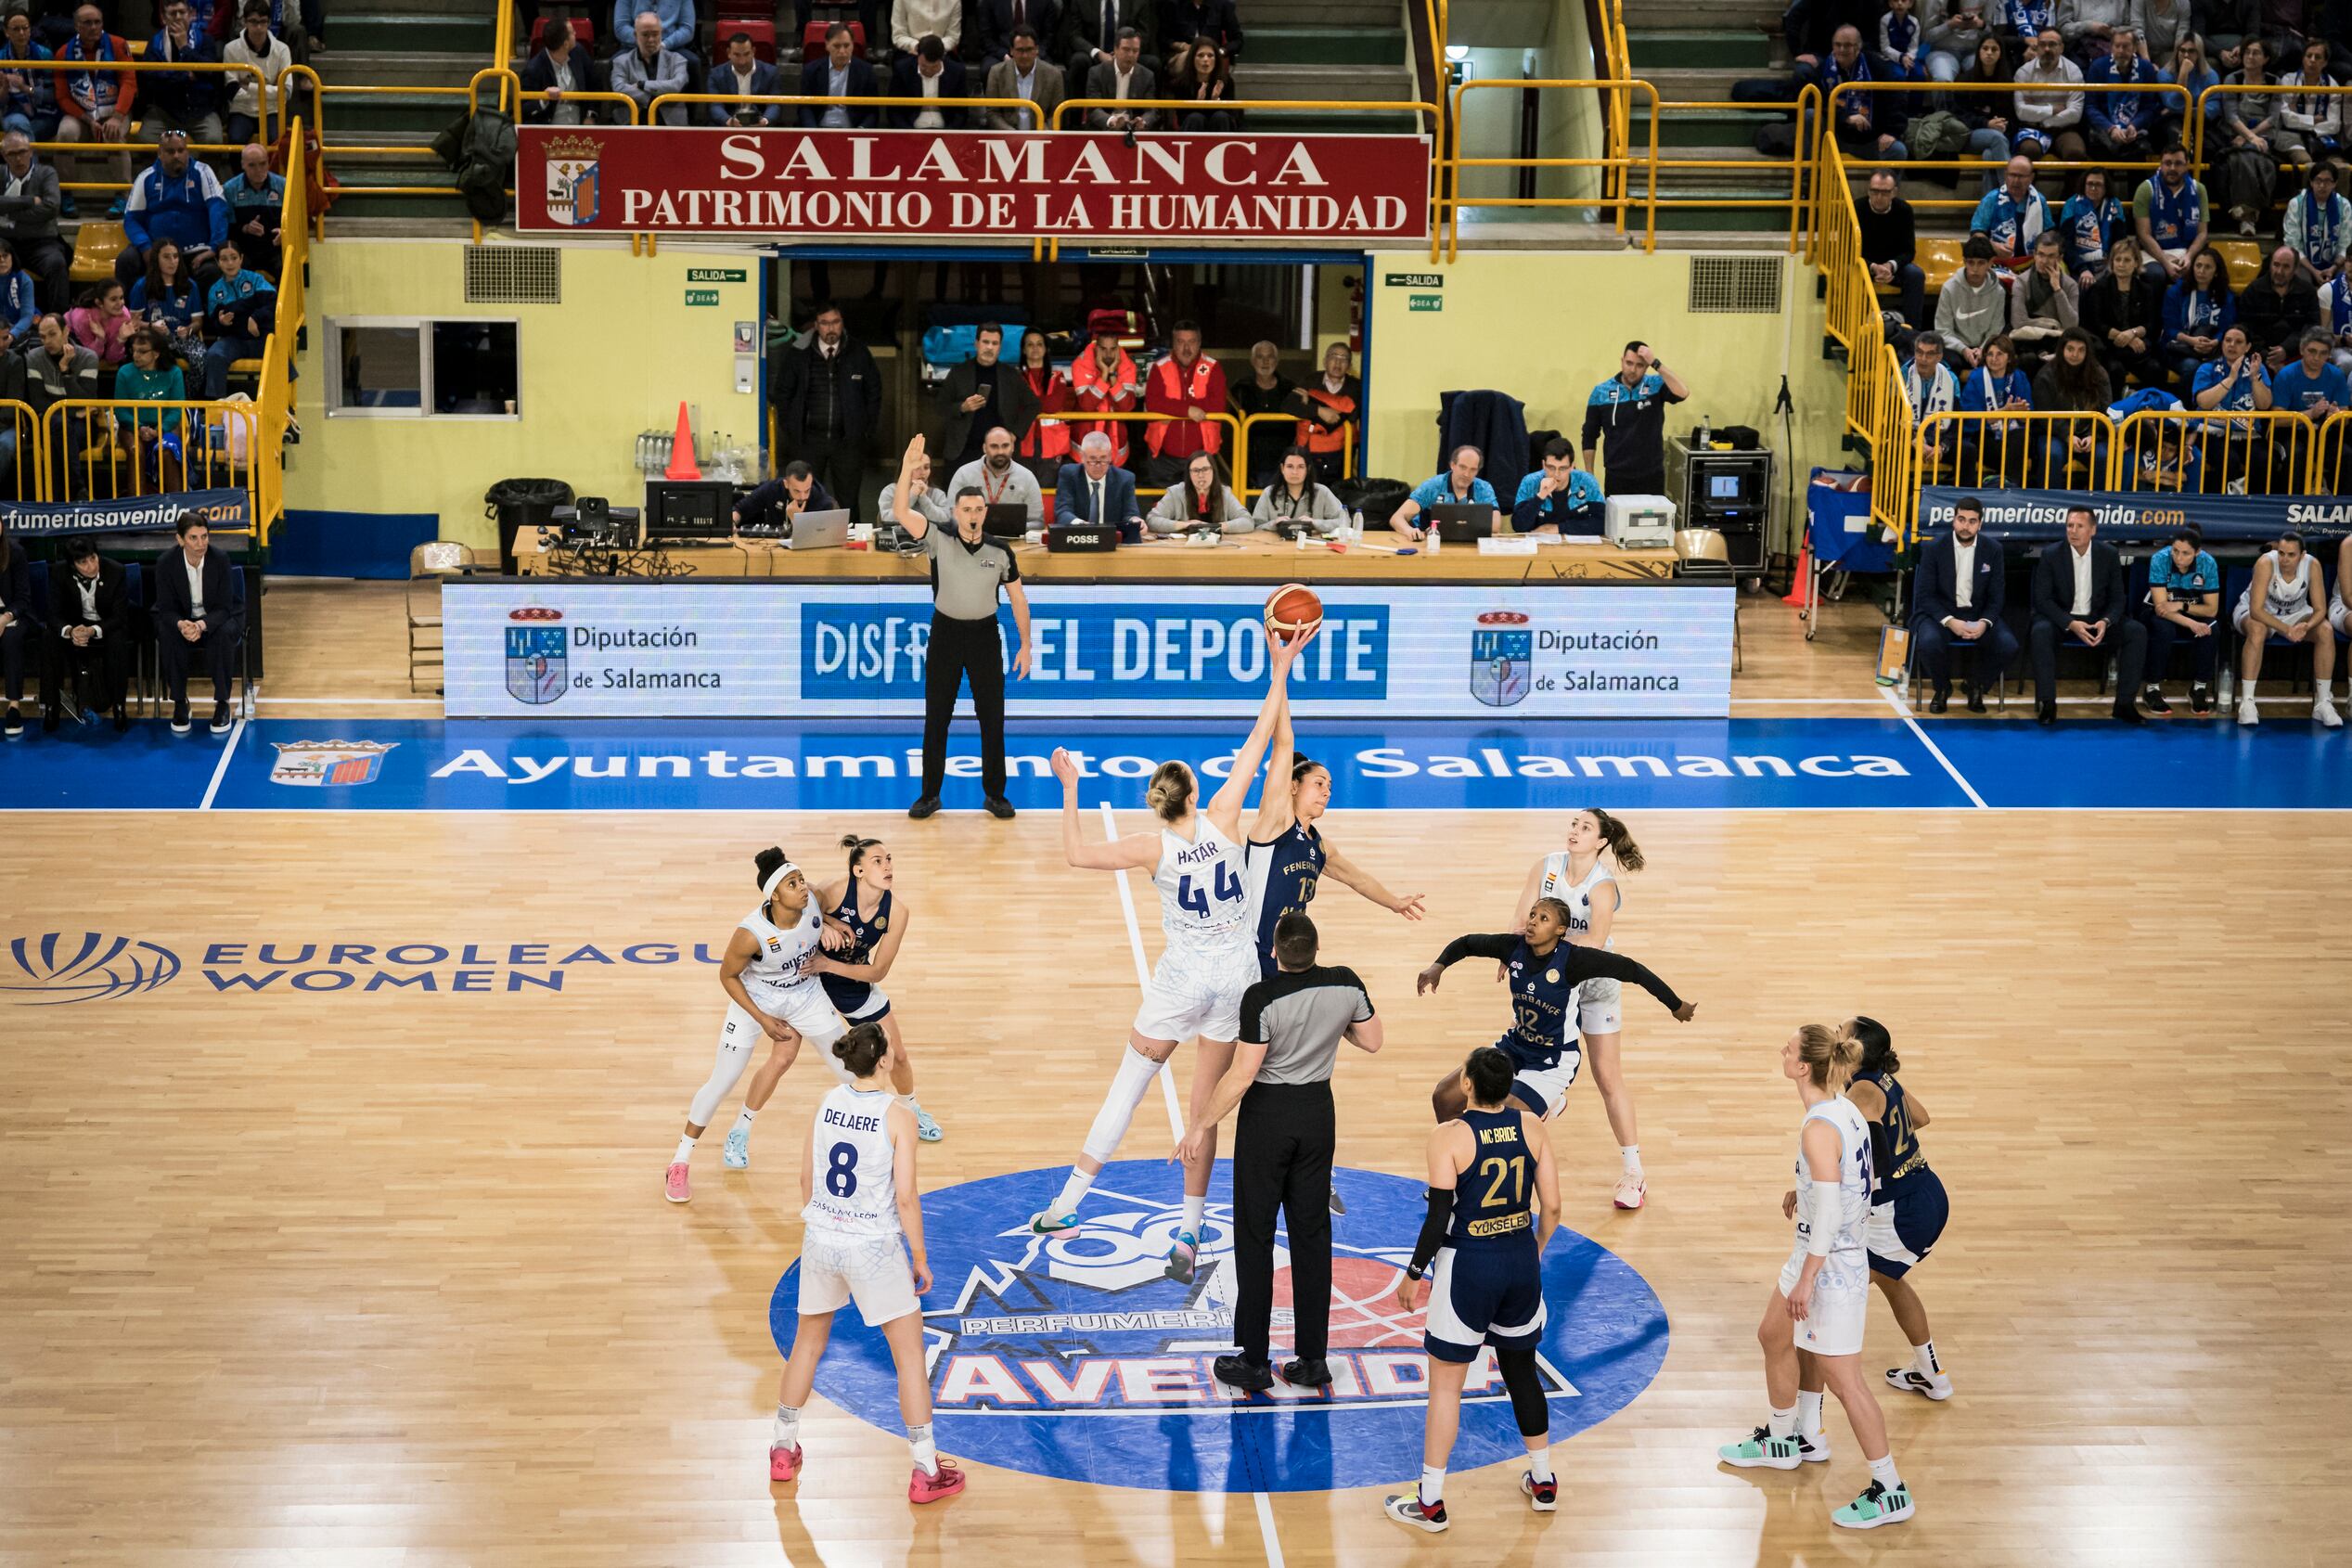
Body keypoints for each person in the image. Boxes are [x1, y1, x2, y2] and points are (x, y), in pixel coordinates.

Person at [1027, 631, 1309, 1284]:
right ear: (1193, 792)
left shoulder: (1149, 847)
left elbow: (1073, 854)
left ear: (1156, 802)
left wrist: (1068, 787)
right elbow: (1262, 736)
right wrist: (1280, 666)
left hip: (1182, 981)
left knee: (1127, 1089)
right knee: (1204, 1107)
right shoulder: (1223, 817)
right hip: (1235, 983)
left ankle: (1067, 1205)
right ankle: (1186, 1232)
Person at [1715, 1024, 1916, 1533]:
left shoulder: (1819, 1126)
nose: (1781, 1050)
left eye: (1788, 1048)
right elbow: (1851, 1182)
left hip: (1830, 1267)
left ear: (1803, 1067)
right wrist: (1799, 1193)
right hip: (1817, 1251)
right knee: (1773, 1335)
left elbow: (1830, 1210)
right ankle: (1787, 1438)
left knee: (1846, 1382)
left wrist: (1808, 1278)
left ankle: (1890, 1488)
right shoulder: (1841, 1107)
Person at [1178, 912, 1381, 1393]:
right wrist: (1333, 1027)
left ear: (1274, 951)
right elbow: (1372, 1040)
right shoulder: (1346, 984)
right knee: (1312, 1236)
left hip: (1268, 1120)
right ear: (1315, 947)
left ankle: (1253, 1359)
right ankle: (1312, 1360)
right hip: (1317, 1114)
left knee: (1255, 1236)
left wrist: (1201, 1125)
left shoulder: (1262, 997)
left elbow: (1243, 1075)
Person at [766, 1022, 968, 1505]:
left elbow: (805, 1178)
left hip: (821, 1238)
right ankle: (924, 1469)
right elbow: (905, 1198)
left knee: (807, 1345)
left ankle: (781, 1447)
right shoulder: (898, 1114)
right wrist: (919, 1257)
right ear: (883, 1061)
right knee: (909, 1357)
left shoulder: (827, 1102)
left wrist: (823, 1227)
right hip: (873, 1247)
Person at [1380, 1045, 1562, 1535]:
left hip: (1468, 1265)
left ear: (1467, 1084)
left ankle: (1431, 1502)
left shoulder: (1448, 1136)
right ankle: (1543, 1482)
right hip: (1520, 1258)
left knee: (1446, 1384)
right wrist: (1534, 1250)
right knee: (1521, 1369)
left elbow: (1438, 1217)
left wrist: (1413, 1273)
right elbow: (1555, 1207)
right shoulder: (1533, 1127)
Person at [664, 846, 853, 1203]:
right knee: (723, 1081)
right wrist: (764, 1020)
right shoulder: (750, 934)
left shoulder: (811, 900)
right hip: (757, 1001)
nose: (802, 887)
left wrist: (834, 923)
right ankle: (680, 1161)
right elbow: (728, 976)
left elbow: (826, 896)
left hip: (806, 995)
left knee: (851, 1072)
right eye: (792, 883)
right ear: (774, 895)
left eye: (801, 880)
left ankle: (742, 1130)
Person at [1417, 896, 1695, 1128]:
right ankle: (1454, 1178)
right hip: (1514, 1047)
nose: (1533, 921)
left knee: (1506, 1124)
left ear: (1560, 930)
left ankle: (1548, 1099)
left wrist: (1675, 1004)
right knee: (1444, 1097)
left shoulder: (1575, 960)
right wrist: (1438, 966)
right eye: (1533, 915)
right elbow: (1467, 943)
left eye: (1543, 918)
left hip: (1552, 1060)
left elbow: (1632, 970)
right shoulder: (1513, 947)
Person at [1506, 811, 1662, 1208]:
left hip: (1592, 985)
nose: (1575, 832)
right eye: (1574, 824)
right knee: (1531, 1049)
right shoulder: (1547, 866)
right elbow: (1522, 917)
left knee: (1607, 1075)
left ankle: (1634, 1173)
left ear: (1601, 842)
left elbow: (1595, 941)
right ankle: (1552, 1096)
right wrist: (1510, 953)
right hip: (1549, 982)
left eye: (1586, 828)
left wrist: (1549, 953)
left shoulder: (1602, 885)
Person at [892, 436, 1033, 820]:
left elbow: (1019, 599)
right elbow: (901, 510)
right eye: (966, 508)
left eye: (978, 509)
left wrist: (1025, 645)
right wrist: (907, 468)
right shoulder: (939, 538)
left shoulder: (1001, 551)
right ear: (955, 511)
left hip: (985, 637)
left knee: (993, 718)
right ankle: (929, 795)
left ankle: (995, 795)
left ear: (985, 512)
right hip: (946, 636)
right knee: (937, 716)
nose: (972, 514)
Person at [1245, 685, 1423, 984]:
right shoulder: (1274, 823)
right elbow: (1283, 743)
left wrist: (1394, 902)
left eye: (1330, 786)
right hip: (1249, 952)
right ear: (1292, 786)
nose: (1327, 791)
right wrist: (1282, 673)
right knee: (1243, 1031)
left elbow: (1358, 879)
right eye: (1318, 783)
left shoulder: (1319, 847)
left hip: (1287, 956)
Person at [1838, 1017, 1955, 1404]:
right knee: (1890, 1281)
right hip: (1926, 1191)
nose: (1833, 1032)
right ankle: (1931, 1374)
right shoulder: (1883, 1079)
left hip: (1902, 1213)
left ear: (1853, 1048)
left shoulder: (1863, 1093)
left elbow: (1870, 1144)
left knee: (1831, 1291)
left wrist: (1873, 1173)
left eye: (1840, 1030)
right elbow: (1920, 1118)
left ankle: (1823, 1395)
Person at [809, 836, 943, 1144]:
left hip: (850, 979)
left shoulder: (897, 911)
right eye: (878, 861)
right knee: (784, 1053)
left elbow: (878, 970)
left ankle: (911, 1110)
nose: (888, 866)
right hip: (810, 980)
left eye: (890, 860)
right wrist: (827, 922)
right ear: (858, 871)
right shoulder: (833, 890)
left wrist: (829, 966)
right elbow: (798, 911)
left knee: (896, 1055)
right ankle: (743, 1127)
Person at [2028, 503, 2148, 725]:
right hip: (2062, 620)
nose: (2072, 531)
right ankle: (2047, 704)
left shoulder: (2108, 554)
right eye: (2069, 526)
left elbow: (2118, 598)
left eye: (2079, 526)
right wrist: (2070, 623)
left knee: (2136, 632)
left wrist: (2106, 621)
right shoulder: (2051, 555)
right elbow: (2043, 600)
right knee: (2040, 632)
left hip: (2097, 619)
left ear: (2093, 530)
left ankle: (2124, 704)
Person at [771, 302, 880, 524]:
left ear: (842, 324)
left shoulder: (858, 352)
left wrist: (865, 430)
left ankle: (850, 548)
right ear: (816, 326)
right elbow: (782, 393)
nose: (831, 328)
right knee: (805, 497)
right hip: (808, 440)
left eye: (835, 322)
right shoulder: (799, 353)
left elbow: (874, 392)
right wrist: (791, 427)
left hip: (847, 441)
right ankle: (807, 547)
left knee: (848, 499)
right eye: (825, 323)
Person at [1910, 494, 2016, 711]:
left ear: (1980, 524)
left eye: (1971, 521)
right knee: (1928, 642)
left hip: (1977, 615)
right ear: (1953, 519)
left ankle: (1977, 686)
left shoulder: (1993, 550)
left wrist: (1984, 622)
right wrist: (1949, 621)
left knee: (2008, 645)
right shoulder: (1933, 548)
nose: (1965, 526)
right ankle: (1942, 688)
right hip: (1941, 613)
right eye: (1961, 519)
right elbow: (1925, 595)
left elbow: (1997, 596)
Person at [2233, 531, 2341, 726]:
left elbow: (2320, 609)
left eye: (2291, 555)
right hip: (2257, 613)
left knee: (2325, 630)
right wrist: (2286, 629)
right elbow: (2256, 610)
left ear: (2302, 555)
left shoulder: (2312, 565)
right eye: (2281, 553)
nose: (2284, 559)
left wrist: (2306, 626)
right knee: (2257, 630)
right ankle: (2247, 702)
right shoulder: (2266, 563)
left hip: (2295, 615)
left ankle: (2323, 703)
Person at [153, 510, 240, 735]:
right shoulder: (166, 563)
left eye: (204, 536)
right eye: (193, 538)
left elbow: (224, 607)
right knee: (167, 631)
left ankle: (222, 702)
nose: (201, 543)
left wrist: (202, 625)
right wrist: (182, 624)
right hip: (183, 620)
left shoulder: (219, 559)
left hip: (212, 619)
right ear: (180, 539)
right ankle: (180, 702)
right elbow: (165, 608)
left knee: (224, 632)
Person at [118, 129, 225, 293]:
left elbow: (218, 210)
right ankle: (127, 314)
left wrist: (214, 246)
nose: (177, 156)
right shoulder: (146, 177)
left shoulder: (203, 172)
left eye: (181, 150)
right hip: (155, 250)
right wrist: (146, 249)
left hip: (195, 253)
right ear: (160, 153)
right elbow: (131, 219)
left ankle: (208, 318)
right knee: (126, 261)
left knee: (211, 272)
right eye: (170, 151)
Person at [41, 533, 129, 733]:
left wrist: (93, 631)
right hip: (74, 628)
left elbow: (120, 616)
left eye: (93, 558)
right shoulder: (58, 573)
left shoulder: (116, 571)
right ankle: (51, 706)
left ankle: (119, 706)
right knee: (49, 637)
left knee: (118, 639)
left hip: (104, 627)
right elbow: (53, 614)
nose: (91, 566)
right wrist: (71, 631)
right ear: (73, 565)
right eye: (83, 562)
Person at [1581, 339, 1689, 497]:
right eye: (1629, 363)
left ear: (1646, 367)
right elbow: (1589, 436)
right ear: (1622, 361)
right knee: (1618, 522)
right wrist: (1589, 476)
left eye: (1640, 365)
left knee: (1651, 522)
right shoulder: (1601, 392)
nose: (1633, 370)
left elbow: (1683, 392)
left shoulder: (1656, 385)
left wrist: (1656, 363)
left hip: (1652, 474)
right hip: (1617, 475)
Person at [936, 321, 1039, 475]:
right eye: (985, 342)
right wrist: (962, 407)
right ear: (976, 344)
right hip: (962, 450)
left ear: (1000, 347)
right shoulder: (959, 372)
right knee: (958, 498)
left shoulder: (1011, 374)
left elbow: (1034, 404)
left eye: (994, 343)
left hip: (999, 454)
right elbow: (940, 406)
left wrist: (1015, 434)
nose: (990, 347)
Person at [57, 5, 135, 202]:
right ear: (76, 26)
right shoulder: (63, 53)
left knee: (113, 134)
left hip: (114, 112)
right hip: (81, 115)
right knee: (65, 133)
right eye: (87, 23)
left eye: (97, 22)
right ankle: (66, 194)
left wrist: (117, 118)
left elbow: (129, 83)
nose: (93, 27)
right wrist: (89, 120)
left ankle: (123, 196)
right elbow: (63, 97)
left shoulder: (118, 45)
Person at [2140, 523, 2222, 714]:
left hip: (2188, 610)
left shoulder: (2208, 563)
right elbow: (2162, 609)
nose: (2178, 557)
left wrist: (2183, 606)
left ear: (2198, 552)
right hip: (2158, 611)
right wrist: (2192, 624)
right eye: (2175, 551)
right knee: (2164, 629)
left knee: (2213, 628)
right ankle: (2151, 688)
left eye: (2185, 553)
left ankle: (2199, 688)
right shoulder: (2160, 559)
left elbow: (2212, 609)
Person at [2211, 37, 2286, 237]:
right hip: (2236, 133)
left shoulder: (2274, 82)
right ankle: (2249, 217)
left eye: (2256, 53)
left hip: (2263, 135)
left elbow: (2273, 117)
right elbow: (2231, 115)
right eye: (2247, 53)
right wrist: (2248, 137)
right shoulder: (2232, 79)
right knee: (2242, 157)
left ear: (2266, 58)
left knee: (2253, 156)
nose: (2250, 57)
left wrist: (2252, 137)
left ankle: (2246, 214)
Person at [1139, 319, 1226, 488]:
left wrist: (1172, 409)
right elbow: (1153, 403)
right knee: (1162, 509)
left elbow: (1218, 405)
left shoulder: (1213, 367)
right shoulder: (1160, 367)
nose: (1186, 349)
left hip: (1202, 456)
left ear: (1199, 343)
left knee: (1199, 510)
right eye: (1181, 342)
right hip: (1164, 457)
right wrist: (1187, 410)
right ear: (1173, 344)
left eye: (1192, 342)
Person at [2191, 323, 2274, 490]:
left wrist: (2254, 378)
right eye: (2228, 340)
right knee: (2229, 459)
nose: (2231, 345)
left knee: (2263, 458)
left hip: (2247, 433)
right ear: (2222, 344)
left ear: (2247, 347)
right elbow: (2204, 402)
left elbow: (2265, 405)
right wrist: (2230, 378)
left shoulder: (2257, 368)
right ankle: (2219, 508)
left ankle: (2254, 506)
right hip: (2211, 432)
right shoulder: (2207, 368)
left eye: (2238, 342)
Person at [2082, 235, 2167, 388]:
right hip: (2109, 349)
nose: (2121, 264)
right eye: (2118, 259)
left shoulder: (2146, 290)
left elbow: (2152, 324)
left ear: (2136, 263)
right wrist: (2125, 336)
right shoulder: (2099, 289)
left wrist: (2132, 333)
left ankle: (2151, 407)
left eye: (2127, 260)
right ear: (2112, 262)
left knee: (2156, 369)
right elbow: (2096, 324)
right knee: (2115, 370)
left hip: (2139, 348)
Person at [1819, 25, 1911, 162]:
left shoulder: (1876, 66)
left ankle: (1881, 184)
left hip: (1869, 140)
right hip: (1834, 137)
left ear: (1858, 47)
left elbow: (1896, 98)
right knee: (1810, 115)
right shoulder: (1825, 68)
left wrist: (1893, 132)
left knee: (1898, 151)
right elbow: (1819, 103)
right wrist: (1847, 117)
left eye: (1847, 45)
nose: (1841, 50)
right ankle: (1808, 179)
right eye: (1837, 45)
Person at [2032, 326, 2112, 482]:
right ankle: (2049, 504)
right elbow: (2044, 415)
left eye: (2081, 350)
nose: (2075, 355)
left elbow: (2106, 410)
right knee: (2052, 454)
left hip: (2091, 435)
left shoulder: (2099, 374)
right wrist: (2067, 435)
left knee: (2104, 456)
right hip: (2055, 434)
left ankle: (2102, 504)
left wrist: (2093, 435)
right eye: (2070, 349)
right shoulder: (2045, 376)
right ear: (2062, 349)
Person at [1067, 308, 1142, 469]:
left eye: (1113, 349)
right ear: (1095, 347)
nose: (1108, 354)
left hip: (1115, 444)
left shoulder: (1127, 365)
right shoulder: (1080, 364)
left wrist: (1112, 374)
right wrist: (1103, 376)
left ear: (1118, 347)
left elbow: (1127, 406)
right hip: (1085, 443)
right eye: (1103, 349)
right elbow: (1087, 405)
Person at [145, 0, 225, 151]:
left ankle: (205, 175)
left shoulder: (205, 40)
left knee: (214, 140)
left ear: (191, 15)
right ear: (164, 18)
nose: (178, 17)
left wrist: (184, 47)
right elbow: (152, 80)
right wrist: (186, 76)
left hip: (200, 111)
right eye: (173, 13)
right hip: (165, 111)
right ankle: (159, 174)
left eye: (182, 12)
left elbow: (209, 71)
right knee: (145, 139)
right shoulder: (154, 44)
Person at [0, 131, 66, 315]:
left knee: (56, 263)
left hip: (42, 242)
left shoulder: (47, 173)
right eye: (12, 154)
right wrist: (28, 201)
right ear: (4, 155)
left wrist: (8, 214)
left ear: (31, 152)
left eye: (22, 151)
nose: (18, 158)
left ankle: (58, 322)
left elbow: (51, 207)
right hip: (6, 244)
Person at [199, 237, 271, 400]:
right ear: (218, 262)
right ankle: (217, 406)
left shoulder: (256, 280)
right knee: (214, 354)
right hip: (233, 339)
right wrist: (222, 323)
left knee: (277, 353)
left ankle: (281, 404)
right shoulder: (215, 290)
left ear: (241, 259)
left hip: (259, 336)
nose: (230, 263)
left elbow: (271, 305)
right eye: (224, 259)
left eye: (234, 258)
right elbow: (215, 324)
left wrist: (255, 317)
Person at [1859, 170, 1928, 328]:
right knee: (1852, 274)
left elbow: (1909, 251)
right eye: (1874, 191)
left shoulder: (1904, 210)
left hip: (1894, 266)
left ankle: (1912, 334)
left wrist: (1890, 266)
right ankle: (1856, 331)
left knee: (1916, 275)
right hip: (1864, 264)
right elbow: (1849, 250)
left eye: (1884, 192)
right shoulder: (1857, 209)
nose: (1878, 197)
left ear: (1894, 192)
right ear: (1868, 190)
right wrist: (1872, 267)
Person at [218, 2, 290, 147]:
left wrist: (248, 86)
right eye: (253, 22)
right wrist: (271, 89)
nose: (258, 27)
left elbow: (286, 93)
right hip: (242, 110)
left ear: (269, 22)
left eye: (263, 22)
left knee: (276, 141)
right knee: (236, 140)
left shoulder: (282, 50)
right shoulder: (231, 49)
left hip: (272, 110)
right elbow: (232, 91)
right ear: (244, 22)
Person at [2132, 141, 2207, 280]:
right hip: (2153, 253)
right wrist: (2166, 262)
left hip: (2187, 251)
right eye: (2167, 163)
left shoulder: (2199, 189)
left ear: (2187, 165)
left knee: (2203, 270)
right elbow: (2143, 235)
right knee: (2155, 275)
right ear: (2161, 164)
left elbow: (2202, 233)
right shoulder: (2146, 189)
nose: (2172, 168)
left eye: (2178, 163)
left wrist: (2189, 257)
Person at [2084, 27, 2163, 159]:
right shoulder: (2098, 67)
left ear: (2135, 48)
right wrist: (2111, 128)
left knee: (2140, 151)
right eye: (2117, 46)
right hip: (2104, 129)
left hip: (2134, 132)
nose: (2121, 51)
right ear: (2111, 47)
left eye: (2126, 46)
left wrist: (2134, 125)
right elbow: (2091, 107)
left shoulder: (2146, 68)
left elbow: (2149, 107)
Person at [1227, 340, 1298, 488]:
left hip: (1282, 460)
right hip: (1249, 462)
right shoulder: (1240, 389)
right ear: (1252, 361)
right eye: (1260, 357)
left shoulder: (1289, 388)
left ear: (1277, 360)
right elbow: (1231, 427)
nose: (1265, 362)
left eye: (1270, 357)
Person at [1388, 443, 1496, 541]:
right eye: (1462, 467)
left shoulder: (1484, 488)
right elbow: (1396, 518)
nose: (1467, 474)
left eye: (1473, 469)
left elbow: (1495, 526)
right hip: (1430, 544)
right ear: (1452, 465)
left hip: (1470, 545)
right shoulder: (1432, 486)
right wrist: (1409, 531)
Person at [2011, 27, 2087, 163]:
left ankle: (2071, 186)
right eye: (2042, 44)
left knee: (2075, 152)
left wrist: (2044, 120)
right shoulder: (2024, 72)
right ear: (2037, 47)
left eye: (2052, 44)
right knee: (2028, 151)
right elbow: (2021, 112)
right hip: (2032, 128)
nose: (2046, 49)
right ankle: (2029, 185)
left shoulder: (2074, 71)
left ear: (2062, 47)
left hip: (2064, 128)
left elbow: (2075, 113)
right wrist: (2052, 109)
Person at [2240, 245, 2320, 372]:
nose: (2279, 271)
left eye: (2286, 267)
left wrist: (2286, 349)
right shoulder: (2253, 290)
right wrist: (2266, 356)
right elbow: (2245, 327)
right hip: (2259, 354)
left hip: (2297, 352)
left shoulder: (2308, 291)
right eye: (2276, 265)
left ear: (2295, 269)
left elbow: (2312, 326)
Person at [1055, 430, 1146, 540]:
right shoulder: (1069, 474)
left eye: (1103, 459)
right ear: (1082, 457)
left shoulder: (1125, 479)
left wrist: (1135, 521)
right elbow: (1063, 512)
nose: (1098, 466)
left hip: (1112, 541)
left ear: (1110, 456)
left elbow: (1130, 513)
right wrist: (1083, 525)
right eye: (1092, 459)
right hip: (1078, 539)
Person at [949, 425, 1045, 530]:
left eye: (1005, 446)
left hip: (1015, 542)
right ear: (985, 448)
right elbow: (952, 516)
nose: (1000, 452)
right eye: (994, 446)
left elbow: (1038, 522)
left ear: (1012, 447)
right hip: (972, 539)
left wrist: (1009, 528)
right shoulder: (964, 474)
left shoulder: (1027, 477)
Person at [1934, 235, 2010, 368]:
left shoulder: (1998, 292)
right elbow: (1943, 330)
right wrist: (1964, 349)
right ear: (1964, 262)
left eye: (1981, 263)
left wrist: (1982, 349)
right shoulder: (1949, 288)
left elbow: (1995, 329)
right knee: (1950, 363)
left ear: (1990, 262)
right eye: (1971, 262)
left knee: (1999, 359)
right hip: (1956, 348)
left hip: (1985, 347)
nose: (1975, 269)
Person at [2164, 245, 2233, 387]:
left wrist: (2214, 342)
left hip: (2213, 348)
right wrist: (2192, 341)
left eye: (2208, 267)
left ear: (2216, 272)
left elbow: (2228, 328)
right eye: (2198, 265)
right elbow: (2169, 328)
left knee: (2223, 366)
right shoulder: (2176, 292)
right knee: (2193, 367)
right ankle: (2185, 407)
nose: (2201, 271)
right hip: (2178, 348)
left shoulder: (2225, 296)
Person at [611, 9, 692, 126]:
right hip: (632, 123)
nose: (651, 40)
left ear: (661, 33)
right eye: (645, 35)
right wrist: (655, 98)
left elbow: (676, 85)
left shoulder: (678, 59)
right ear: (635, 35)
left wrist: (642, 85)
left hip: (671, 125)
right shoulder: (621, 61)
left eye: (655, 34)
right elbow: (619, 88)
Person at [1970, 154, 2052, 267]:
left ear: (2031, 177)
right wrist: (1992, 246)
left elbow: (2049, 232)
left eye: (2021, 176)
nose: (2016, 180)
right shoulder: (1991, 199)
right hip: (1997, 262)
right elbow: (1976, 233)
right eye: (2012, 175)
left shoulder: (2039, 200)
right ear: (2005, 174)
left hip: (2032, 262)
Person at [1146, 450, 1251, 533]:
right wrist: (1184, 525)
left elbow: (1247, 521)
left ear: (1213, 471)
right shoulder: (1175, 492)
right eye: (1195, 470)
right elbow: (1152, 520)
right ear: (1189, 474)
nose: (1201, 475)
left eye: (1205, 469)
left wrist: (1216, 527)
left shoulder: (1225, 492)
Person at [983, 24, 1064, 130]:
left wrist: (1043, 134)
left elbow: (1057, 114)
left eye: (1029, 49)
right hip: (1007, 138)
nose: (1025, 55)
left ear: (1037, 50)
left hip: (1042, 138)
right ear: (1011, 51)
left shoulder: (1054, 75)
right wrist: (1012, 135)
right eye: (1020, 50)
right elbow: (992, 113)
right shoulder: (997, 73)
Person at [67, 277, 139, 395]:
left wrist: (121, 340)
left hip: (99, 348)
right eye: (113, 299)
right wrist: (100, 340)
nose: (120, 303)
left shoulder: (124, 316)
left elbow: (112, 359)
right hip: (75, 339)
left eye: (121, 298)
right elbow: (91, 358)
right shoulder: (82, 317)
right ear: (99, 303)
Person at [1299, 341, 1359, 482]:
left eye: (1343, 359)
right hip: (1310, 450)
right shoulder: (1310, 380)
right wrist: (1319, 410)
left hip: (1342, 451)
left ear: (1349, 366)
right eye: (1333, 357)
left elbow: (1349, 414)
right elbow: (1290, 405)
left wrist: (1312, 402)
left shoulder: (1356, 386)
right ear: (1325, 361)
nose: (1337, 363)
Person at [798, 24, 880, 129]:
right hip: (820, 129)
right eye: (836, 46)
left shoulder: (866, 71)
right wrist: (813, 131)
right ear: (827, 45)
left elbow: (872, 111)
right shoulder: (811, 70)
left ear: (853, 45)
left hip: (854, 131)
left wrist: (861, 131)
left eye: (846, 46)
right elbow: (804, 108)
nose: (842, 51)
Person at [221, 144, 283, 281]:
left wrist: (285, 232)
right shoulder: (230, 189)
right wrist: (245, 228)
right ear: (243, 165)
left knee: (288, 268)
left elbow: (296, 222)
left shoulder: (283, 186)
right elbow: (228, 229)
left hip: (275, 250)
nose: (259, 170)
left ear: (268, 162)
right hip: (244, 250)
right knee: (232, 269)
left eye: (263, 164)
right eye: (252, 165)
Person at [520, 16, 598, 124]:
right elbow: (523, 108)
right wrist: (543, 98)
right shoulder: (533, 69)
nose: (575, 33)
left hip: (580, 128)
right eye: (572, 32)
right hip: (548, 132)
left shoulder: (579, 53)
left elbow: (595, 86)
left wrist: (590, 116)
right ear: (565, 44)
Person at [1252, 445, 1346, 534]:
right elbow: (1255, 527)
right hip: (1277, 548)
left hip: (1312, 548)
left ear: (1308, 469)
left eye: (1300, 467)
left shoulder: (1322, 492)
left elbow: (1345, 521)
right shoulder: (1269, 492)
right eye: (1290, 466)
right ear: (1282, 468)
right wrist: (1274, 524)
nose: (1295, 472)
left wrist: (1315, 523)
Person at [2284, 162, 2351, 286]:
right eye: (2318, 180)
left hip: (2336, 264)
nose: (2322, 185)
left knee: (2345, 279)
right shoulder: (2296, 204)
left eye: (2327, 181)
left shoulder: (2344, 205)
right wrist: (2314, 271)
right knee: (2302, 282)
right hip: (2303, 263)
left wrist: (2333, 269)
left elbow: (2345, 245)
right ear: (2311, 182)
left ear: (2335, 183)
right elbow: (2293, 245)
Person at [2276, 39, 2343, 161]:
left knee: (2339, 165)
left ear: (2325, 62)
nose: (2312, 60)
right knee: (2303, 160)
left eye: (2317, 57)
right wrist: (2313, 120)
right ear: (2303, 59)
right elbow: (2287, 119)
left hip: (2321, 137)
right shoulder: (2288, 80)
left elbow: (2334, 125)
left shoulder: (2333, 85)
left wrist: (2301, 121)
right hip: (2290, 135)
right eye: (2309, 56)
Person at [1065, 0, 1152, 94]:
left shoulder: (1138, 2)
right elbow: (1075, 35)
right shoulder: (1081, 2)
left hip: (1126, 52)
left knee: (1152, 62)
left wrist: (1119, 54)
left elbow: (1143, 35)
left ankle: (1149, 107)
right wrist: (1097, 53)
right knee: (1079, 60)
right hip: (1094, 55)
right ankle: (1076, 107)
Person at [2057, 165, 2125, 285]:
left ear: (2106, 187)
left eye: (2098, 184)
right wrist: (2082, 269)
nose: (2093, 188)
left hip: (2108, 262)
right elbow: (2066, 243)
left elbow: (2120, 240)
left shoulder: (2115, 205)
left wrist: (2113, 264)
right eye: (2090, 184)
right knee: (2084, 286)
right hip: (2078, 263)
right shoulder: (2071, 204)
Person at [0, 14, 58, 148]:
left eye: (25, 28)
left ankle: (23, 168)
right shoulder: (1, 58)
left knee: (20, 135)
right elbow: (1, 103)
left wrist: (24, 88)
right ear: (6, 32)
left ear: (30, 30)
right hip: (13, 111)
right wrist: (4, 88)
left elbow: (53, 95)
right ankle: (31, 169)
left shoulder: (45, 55)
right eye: (15, 29)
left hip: (45, 114)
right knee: (20, 127)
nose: (21, 33)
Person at [1085, 25, 1158, 131]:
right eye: (1126, 49)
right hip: (1103, 129)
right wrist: (1111, 121)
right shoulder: (1096, 72)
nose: (1131, 55)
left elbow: (1151, 111)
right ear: (1115, 49)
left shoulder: (1147, 75)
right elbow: (1093, 109)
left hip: (1133, 130)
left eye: (1135, 51)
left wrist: (1143, 121)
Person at [888, 33, 968, 130]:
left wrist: (949, 134)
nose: (929, 71)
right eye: (924, 66)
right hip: (911, 129)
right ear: (917, 53)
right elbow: (894, 110)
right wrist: (908, 133)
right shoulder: (902, 69)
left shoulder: (956, 71)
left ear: (942, 58)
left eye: (934, 67)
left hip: (946, 129)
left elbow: (961, 112)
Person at [733, 461, 837, 533]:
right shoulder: (772, 489)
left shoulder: (821, 499)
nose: (802, 496)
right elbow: (741, 509)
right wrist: (732, 522)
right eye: (797, 491)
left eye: (807, 490)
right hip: (772, 546)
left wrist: (796, 519)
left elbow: (818, 537)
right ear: (786, 484)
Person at [707, 30, 784, 126]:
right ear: (728, 53)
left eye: (746, 54)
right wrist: (728, 120)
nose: (742, 61)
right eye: (737, 55)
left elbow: (774, 104)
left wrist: (765, 120)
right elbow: (715, 105)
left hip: (762, 124)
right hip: (727, 125)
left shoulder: (771, 73)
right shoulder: (715, 74)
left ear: (753, 52)